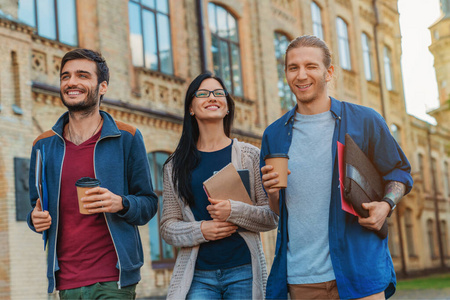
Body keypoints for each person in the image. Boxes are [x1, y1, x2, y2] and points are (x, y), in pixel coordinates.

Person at [261, 35, 413, 300]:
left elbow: (399, 172)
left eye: (311, 66)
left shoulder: (364, 121)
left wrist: (386, 204)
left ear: (328, 72)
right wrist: (272, 194)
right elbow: (278, 210)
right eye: (293, 67)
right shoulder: (274, 135)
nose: (301, 75)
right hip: (302, 279)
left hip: (360, 274)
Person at [27, 48, 158, 299]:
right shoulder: (42, 145)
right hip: (65, 280)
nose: (72, 82)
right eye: (65, 76)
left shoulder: (127, 137)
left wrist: (120, 203)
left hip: (114, 278)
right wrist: (35, 220)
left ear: (103, 86)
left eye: (82, 75)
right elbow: (36, 208)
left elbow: (149, 204)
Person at [160, 72, 278, 299]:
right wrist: (202, 230)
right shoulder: (175, 165)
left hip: (244, 271)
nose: (212, 97)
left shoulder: (250, 156)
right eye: (203, 94)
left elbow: (271, 217)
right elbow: (167, 227)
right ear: (191, 108)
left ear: (227, 107)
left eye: (218, 93)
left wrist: (233, 211)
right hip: (198, 276)